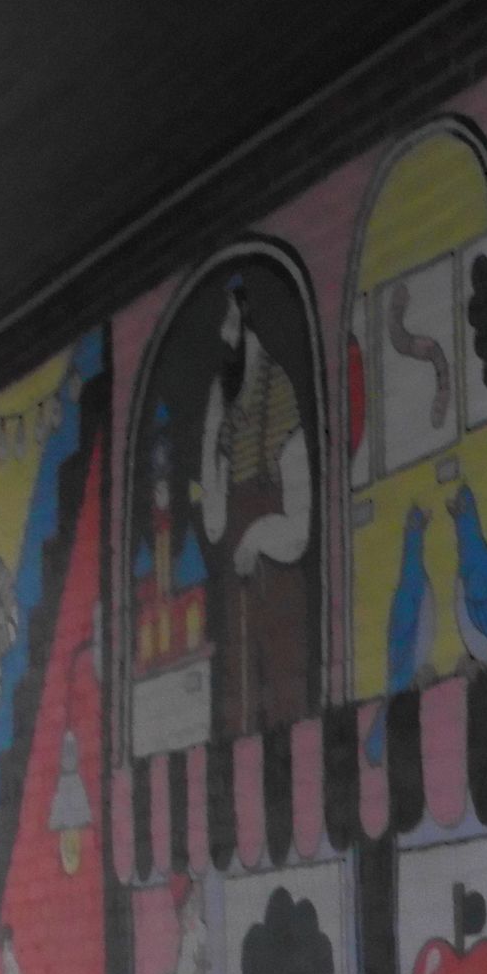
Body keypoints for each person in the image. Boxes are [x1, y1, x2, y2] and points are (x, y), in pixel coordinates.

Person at [199, 274, 316, 736]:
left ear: (247, 317)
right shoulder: (229, 416)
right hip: (240, 589)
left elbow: (300, 527)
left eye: (228, 317)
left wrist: (254, 537)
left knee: (283, 698)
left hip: (277, 587)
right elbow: (213, 524)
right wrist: (210, 432)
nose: (221, 333)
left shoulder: (277, 393)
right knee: (240, 703)